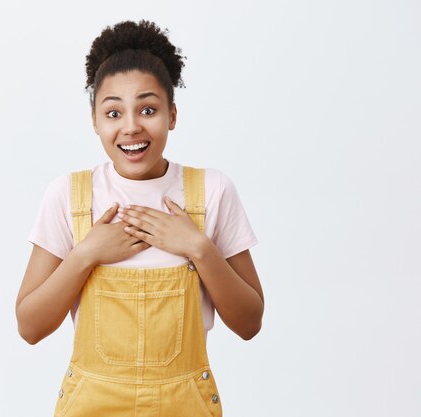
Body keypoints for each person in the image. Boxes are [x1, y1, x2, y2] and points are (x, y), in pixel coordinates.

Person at [15, 19, 264, 417]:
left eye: (148, 109)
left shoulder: (213, 191)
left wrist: (198, 248)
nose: (131, 126)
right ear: (95, 120)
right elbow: (29, 327)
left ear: (172, 115)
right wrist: (85, 255)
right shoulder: (69, 195)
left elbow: (250, 323)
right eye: (113, 113)